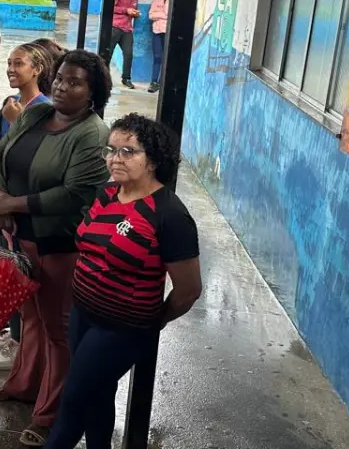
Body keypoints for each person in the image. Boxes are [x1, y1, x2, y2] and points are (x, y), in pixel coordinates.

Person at [44, 114, 202, 449]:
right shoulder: (106, 193)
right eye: (111, 150)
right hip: (82, 313)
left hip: (121, 328)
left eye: (128, 151)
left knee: (73, 401)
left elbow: (189, 290)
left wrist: (155, 319)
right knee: (98, 394)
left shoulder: (169, 215)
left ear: (153, 160)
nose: (115, 158)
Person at [0, 49, 113, 448]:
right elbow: (0, 153)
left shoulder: (93, 134)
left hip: (59, 244)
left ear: (93, 93)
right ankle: (24, 385)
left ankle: (51, 414)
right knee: (31, 319)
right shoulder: (36, 113)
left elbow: (74, 194)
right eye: (59, 79)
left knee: (58, 330)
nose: (62, 87)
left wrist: (15, 204)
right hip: (18, 238)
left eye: (75, 83)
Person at [0, 41, 61, 371]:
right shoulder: (13, 104)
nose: (11, 69)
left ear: (37, 69)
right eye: (9, 63)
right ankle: (15, 332)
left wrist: (18, 122)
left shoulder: (44, 110)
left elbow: (38, 160)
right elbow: (0, 154)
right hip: (3, 201)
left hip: (24, 207)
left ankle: (23, 343)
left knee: (25, 275)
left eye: (19, 64)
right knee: (10, 271)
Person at [110, 0, 142, 89]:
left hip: (127, 28)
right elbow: (111, 7)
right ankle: (103, 78)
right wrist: (126, 10)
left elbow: (132, 8)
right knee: (108, 53)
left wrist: (135, 13)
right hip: (115, 26)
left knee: (128, 54)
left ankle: (126, 78)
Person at [147, 0, 171, 93]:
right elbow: (151, 15)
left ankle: (163, 82)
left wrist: (159, 15)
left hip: (168, 32)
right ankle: (154, 82)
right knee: (157, 57)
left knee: (167, 58)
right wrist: (164, 16)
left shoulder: (173, 0)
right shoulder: (157, 0)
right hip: (157, 31)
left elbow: (170, 15)